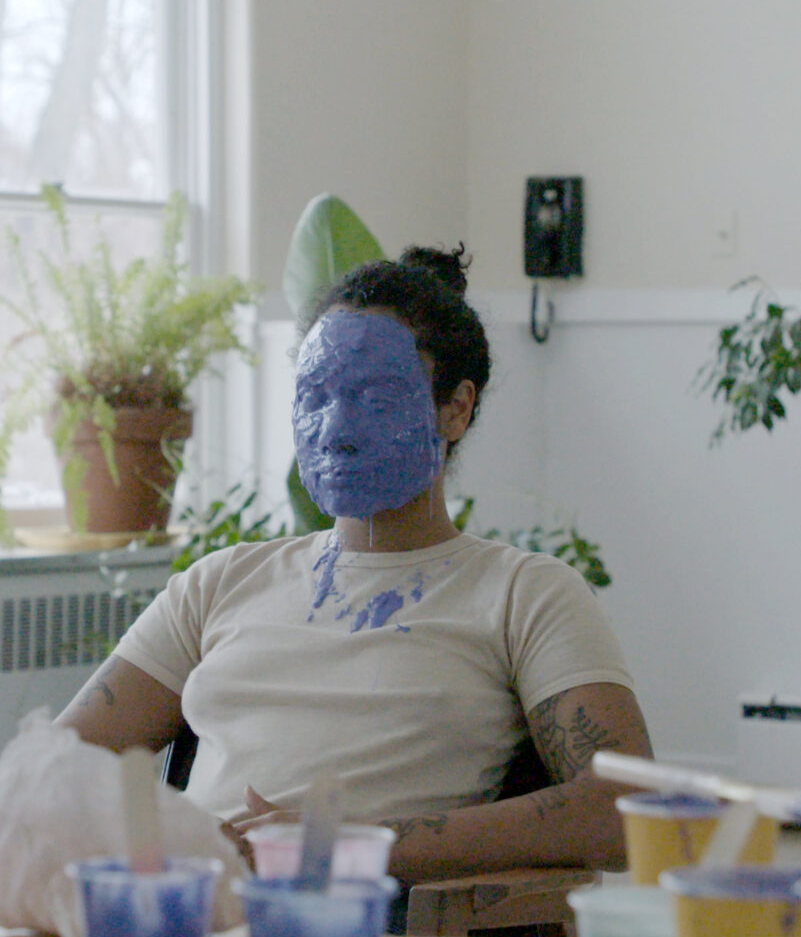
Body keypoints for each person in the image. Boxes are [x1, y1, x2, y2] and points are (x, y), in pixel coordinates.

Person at [54, 244, 653, 881]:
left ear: (455, 408)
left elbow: (624, 811)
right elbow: (49, 769)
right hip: (186, 911)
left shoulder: (524, 594)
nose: (335, 429)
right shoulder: (219, 583)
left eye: (375, 397)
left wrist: (351, 846)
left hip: (368, 929)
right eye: (314, 395)